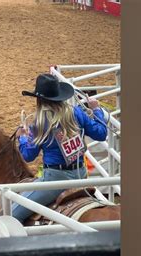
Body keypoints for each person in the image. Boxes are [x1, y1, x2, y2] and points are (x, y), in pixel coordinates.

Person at [10, 73, 107, 223]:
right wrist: (96, 110)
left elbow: (28, 156)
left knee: (11, 215)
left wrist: (22, 137)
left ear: (39, 99)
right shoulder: (76, 112)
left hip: (55, 180)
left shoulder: (40, 123)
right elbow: (101, 134)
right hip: (81, 175)